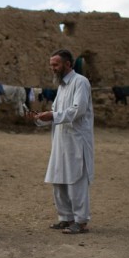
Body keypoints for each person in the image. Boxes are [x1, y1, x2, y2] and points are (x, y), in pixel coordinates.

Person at [30, 49, 94, 234]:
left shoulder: (80, 82)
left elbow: (78, 110)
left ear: (68, 64)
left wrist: (52, 115)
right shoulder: (61, 86)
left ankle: (81, 222)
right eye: (51, 65)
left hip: (77, 141)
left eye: (56, 64)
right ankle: (65, 218)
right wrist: (38, 118)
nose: (52, 68)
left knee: (76, 181)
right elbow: (55, 112)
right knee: (59, 180)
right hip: (60, 141)